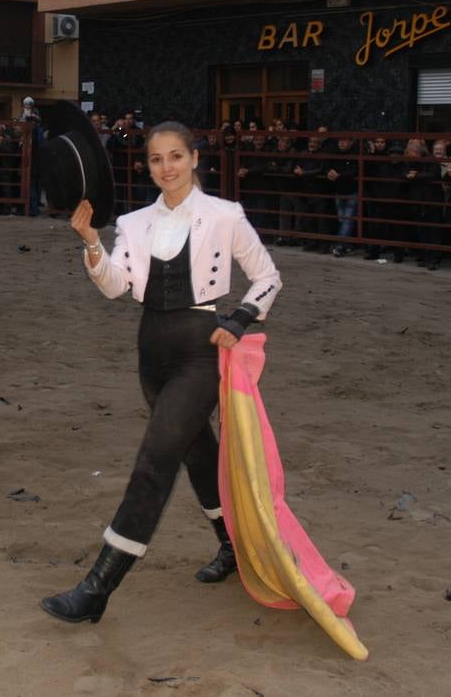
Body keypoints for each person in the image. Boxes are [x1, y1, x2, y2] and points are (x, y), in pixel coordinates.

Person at [42, 121, 282, 625]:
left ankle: (97, 588)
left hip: (199, 353)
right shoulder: (133, 223)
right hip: (150, 353)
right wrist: (92, 243)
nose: (166, 167)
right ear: (147, 166)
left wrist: (240, 318)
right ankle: (232, 548)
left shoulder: (226, 215)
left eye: (175, 156)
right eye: (156, 159)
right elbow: (116, 286)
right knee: (197, 455)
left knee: (155, 460)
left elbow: (267, 277)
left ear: (194, 159)